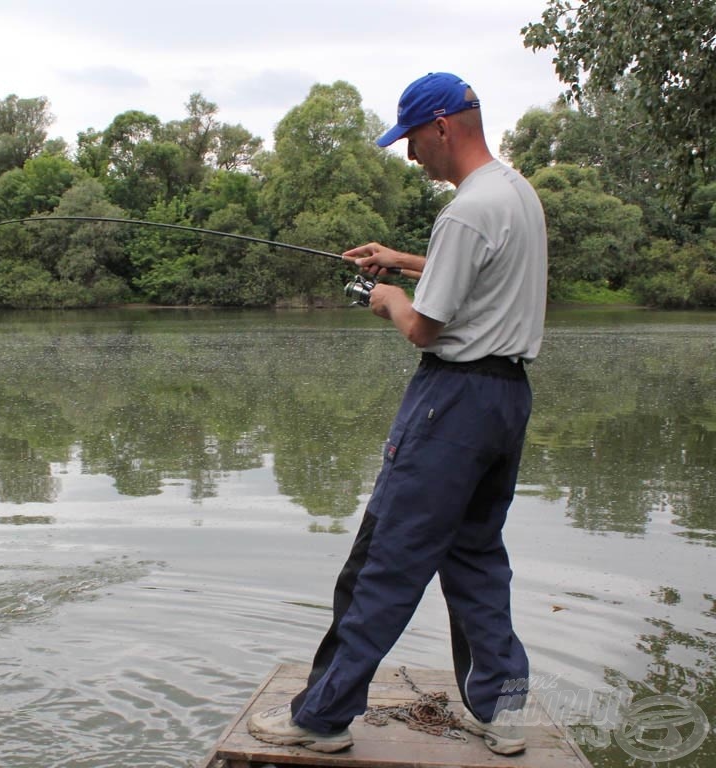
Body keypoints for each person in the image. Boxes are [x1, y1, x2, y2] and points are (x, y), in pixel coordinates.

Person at [247, 72, 548, 756]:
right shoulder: (515, 194)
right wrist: (402, 260)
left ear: (442, 126)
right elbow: (482, 270)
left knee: (384, 560)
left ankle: (320, 719)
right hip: (506, 400)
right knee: (475, 558)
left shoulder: (468, 210)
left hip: (453, 405)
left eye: (411, 139)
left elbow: (425, 328)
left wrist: (385, 299)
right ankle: (500, 711)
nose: (411, 156)